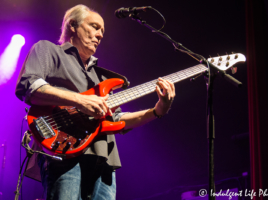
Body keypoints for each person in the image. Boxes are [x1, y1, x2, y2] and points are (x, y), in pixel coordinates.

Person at [15, 4, 175, 200]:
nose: (100, 35)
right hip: (64, 151)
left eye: (102, 31)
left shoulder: (100, 77)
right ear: (73, 25)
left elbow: (117, 118)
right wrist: (79, 100)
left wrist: (159, 109)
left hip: (104, 160)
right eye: (94, 27)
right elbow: (28, 85)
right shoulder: (48, 50)